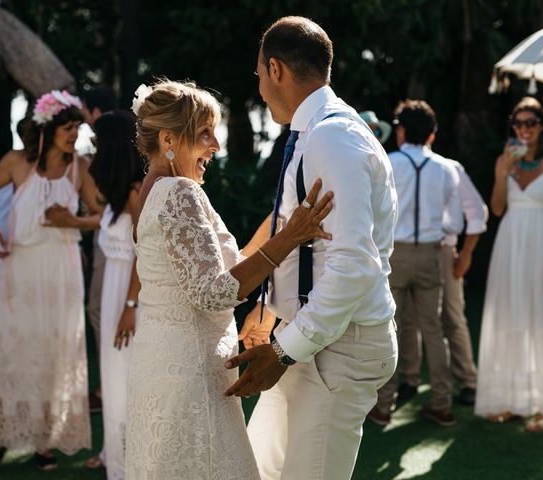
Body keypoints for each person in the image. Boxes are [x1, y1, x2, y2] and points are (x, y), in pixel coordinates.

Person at [124, 80, 334, 480]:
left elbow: (233, 265)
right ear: (169, 138)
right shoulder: (179, 192)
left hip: (163, 360)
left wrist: (285, 219)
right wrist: (291, 237)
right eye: (204, 134)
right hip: (190, 373)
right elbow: (213, 292)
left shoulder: (151, 191)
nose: (215, 146)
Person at [225, 17, 398, 479]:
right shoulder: (315, 132)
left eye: (259, 73)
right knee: (261, 469)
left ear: (276, 69)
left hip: (338, 347)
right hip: (308, 337)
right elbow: (300, 238)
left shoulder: (332, 137)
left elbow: (353, 265)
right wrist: (270, 313)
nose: (258, 85)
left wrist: (283, 351)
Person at [0, 90, 100, 472]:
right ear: (48, 129)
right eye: (68, 128)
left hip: (61, 274)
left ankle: (44, 439)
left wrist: (72, 222)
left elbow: (102, 216)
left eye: (77, 128)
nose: (75, 135)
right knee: (9, 351)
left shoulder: (80, 168)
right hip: (17, 272)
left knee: (53, 354)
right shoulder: (16, 163)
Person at [475, 96, 543, 432]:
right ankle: (511, 401)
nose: (524, 129)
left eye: (531, 122)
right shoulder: (506, 160)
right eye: (518, 123)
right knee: (509, 320)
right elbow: (498, 208)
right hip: (510, 246)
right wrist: (504, 171)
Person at [369, 99, 463, 427]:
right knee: (433, 330)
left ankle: (383, 405)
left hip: (395, 252)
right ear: (431, 134)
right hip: (430, 253)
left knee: (387, 326)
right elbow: (458, 222)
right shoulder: (446, 169)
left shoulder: (389, 162)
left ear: (402, 130)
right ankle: (442, 401)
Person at [397, 158, 488, 407]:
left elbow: (477, 212)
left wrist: (466, 254)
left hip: (443, 250)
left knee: (452, 315)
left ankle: (468, 380)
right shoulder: (397, 164)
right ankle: (409, 379)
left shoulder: (451, 168)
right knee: (407, 318)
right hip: (406, 250)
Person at [84, 110, 144, 478]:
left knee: (126, 381)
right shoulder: (115, 195)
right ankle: (116, 456)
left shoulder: (138, 193)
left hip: (129, 300)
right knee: (112, 378)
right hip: (112, 299)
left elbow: (144, 253)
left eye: (96, 143)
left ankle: (131, 465)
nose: (92, 149)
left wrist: (130, 306)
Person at [81, 85, 118, 414]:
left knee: (99, 308)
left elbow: (106, 202)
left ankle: (107, 385)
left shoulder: (108, 139)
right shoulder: (119, 131)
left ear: (92, 111)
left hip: (113, 237)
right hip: (109, 233)